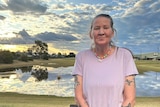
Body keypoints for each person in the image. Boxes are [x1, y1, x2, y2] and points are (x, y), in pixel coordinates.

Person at [72, 14, 139, 107]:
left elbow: (130, 98)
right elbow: (79, 97)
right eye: (96, 28)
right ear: (91, 34)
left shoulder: (124, 56)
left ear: (112, 32)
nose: (101, 32)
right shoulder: (81, 57)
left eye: (106, 27)